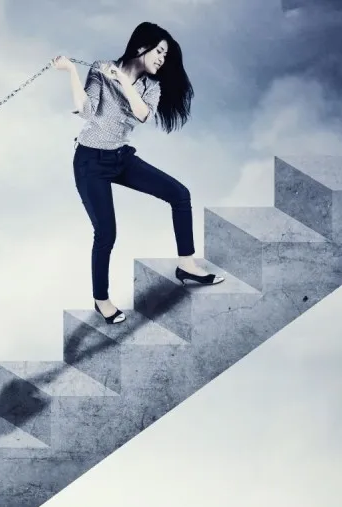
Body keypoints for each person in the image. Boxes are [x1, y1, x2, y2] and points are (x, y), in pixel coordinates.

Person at [53, 22, 222, 325]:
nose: (162, 59)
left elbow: (142, 114)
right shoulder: (101, 68)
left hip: (121, 158)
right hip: (90, 162)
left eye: (165, 56)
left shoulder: (151, 86)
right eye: (159, 51)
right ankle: (101, 299)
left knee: (180, 195)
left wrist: (122, 80)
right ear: (142, 46)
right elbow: (86, 109)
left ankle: (186, 264)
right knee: (106, 233)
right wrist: (71, 71)